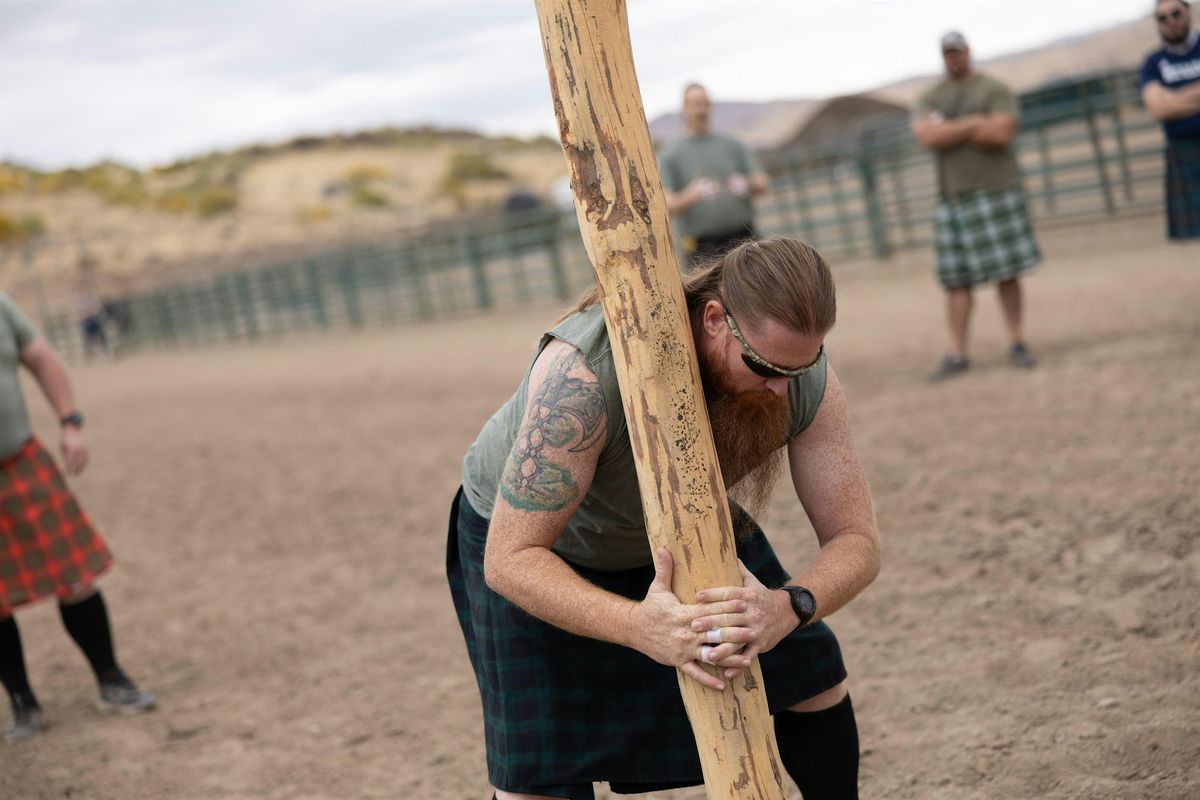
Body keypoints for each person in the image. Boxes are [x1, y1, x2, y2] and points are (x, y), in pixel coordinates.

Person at [447, 237, 880, 800]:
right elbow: (510, 560)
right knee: (540, 773)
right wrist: (640, 627)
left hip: (684, 524)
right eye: (763, 365)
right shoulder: (580, 381)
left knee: (813, 677)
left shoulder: (797, 380)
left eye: (804, 364)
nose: (781, 387)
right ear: (715, 319)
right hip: (542, 548)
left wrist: (787, 607)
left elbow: (857, 540)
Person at [0, 292, 155, 743]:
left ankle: (112, 680)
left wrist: (71, 422)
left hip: (21, 462)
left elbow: (43, 360)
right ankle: (22, 703)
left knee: (75, 580)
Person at [913, 31, 1041, 381]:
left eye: (957, 51)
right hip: (952, 198)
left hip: (995, 190)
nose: (953, 58)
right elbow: (928, 137)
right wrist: (973, 123)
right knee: (956, 280)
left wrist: (951, 129)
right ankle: (957, 353)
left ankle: (1017, 341)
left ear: (968, 51)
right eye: (947, 53)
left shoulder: (993, 88)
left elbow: (1000, 134)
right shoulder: (931, 96)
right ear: (943, 56)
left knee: (1007, 271)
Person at [660, 83, 770, 268]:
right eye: (695, 104)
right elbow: (666, 205)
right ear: (684, 109)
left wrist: (748, 184)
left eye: (704, 104)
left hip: (743, 240)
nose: (701, 110)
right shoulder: (671, 155)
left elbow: (762, 183)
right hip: (702, 249)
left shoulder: (732, 144)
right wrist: (691, 196)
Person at [1141, 0, 1200, 240]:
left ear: (1188, 11)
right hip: (1184, 151)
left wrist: (1175, 97)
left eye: (1175, 13)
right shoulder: (1153, 62)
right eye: (1162, 17)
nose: (1170, 21)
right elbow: (1158, 108)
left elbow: (1167, 102)